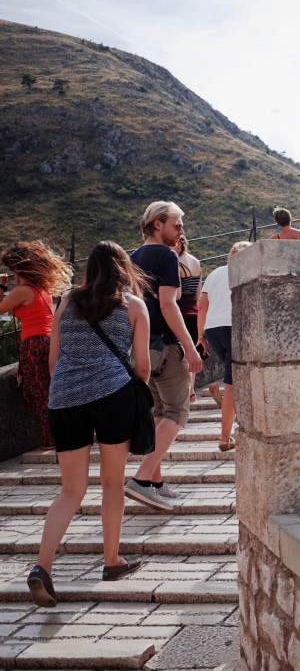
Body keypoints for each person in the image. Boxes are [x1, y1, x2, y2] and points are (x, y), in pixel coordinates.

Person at [27, 241, 151, 607]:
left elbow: (54, 360)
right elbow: (142, 367)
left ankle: (42, 568)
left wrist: (71, 386)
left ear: (89, 269)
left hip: (64, 400)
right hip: (114, 395)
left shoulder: (66, 301)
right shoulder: (134, 305)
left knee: (70, 490)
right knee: (112, 483)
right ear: (123, 268)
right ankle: (112, 561)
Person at [126, 201, 203, 512]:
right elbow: (170, 304)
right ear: (158, 224)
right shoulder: (166, 255)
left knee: (158, 412)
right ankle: (142, 480)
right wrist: (189, 344)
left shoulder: (133, 256)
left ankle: (155, 483)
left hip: (143, 346)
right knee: (176, 413)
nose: (181, 230)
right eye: (176, 224)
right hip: (167, 345)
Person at [0, 242, 73, 451]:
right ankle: (61, 434)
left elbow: (0, 309)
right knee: (49, 389)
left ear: (18, 269)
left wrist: (2, 286)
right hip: (48, 341)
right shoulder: (42, 288)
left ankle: (51, 440)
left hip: (33, 343)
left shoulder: (22, 290)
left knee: (38, 391)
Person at [197, 241, 250, 453]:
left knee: (234, 380)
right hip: (233, 328)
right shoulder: (246, 270)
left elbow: (202, 306)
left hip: (213, 331)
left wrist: (201, 336)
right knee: (232, 386)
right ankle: (225, 436)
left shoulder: (215, 273)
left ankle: (234, 427)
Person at [176, 236, 203, 402]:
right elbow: (198, 293)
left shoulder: (176, 263)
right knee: (191, 353)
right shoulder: (195, 261)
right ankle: (191, 389)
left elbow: (176, 293)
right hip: (195, 311)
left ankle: (187, 391)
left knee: (182, 355)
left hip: (181, 311)